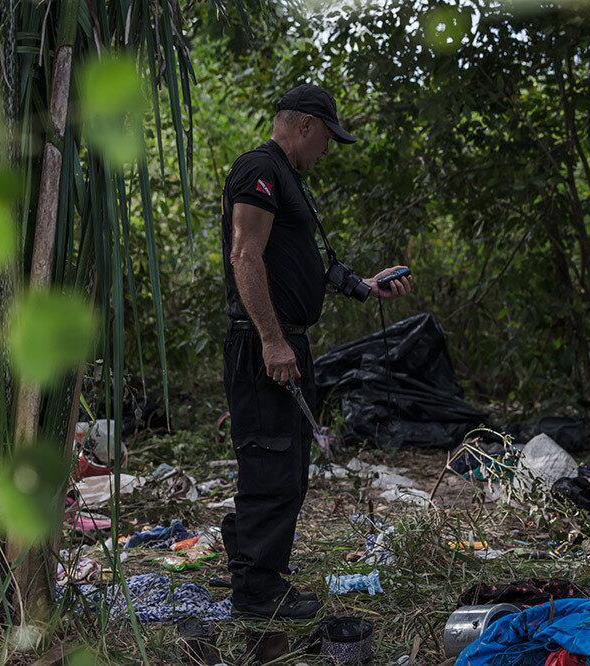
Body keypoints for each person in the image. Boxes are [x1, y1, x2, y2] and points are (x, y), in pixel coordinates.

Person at [218, 83, 415, 619]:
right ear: (305, 125)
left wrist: (366, 286)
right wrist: (273, 340)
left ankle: (245, 552)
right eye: (327, 139)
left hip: (286, 343)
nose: (326, 152)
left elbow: (312, 262)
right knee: (272, 465)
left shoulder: (291, 181)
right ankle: (257, 593)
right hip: (264, 343)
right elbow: (245, 255)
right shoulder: (257, 169)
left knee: (288, 462)